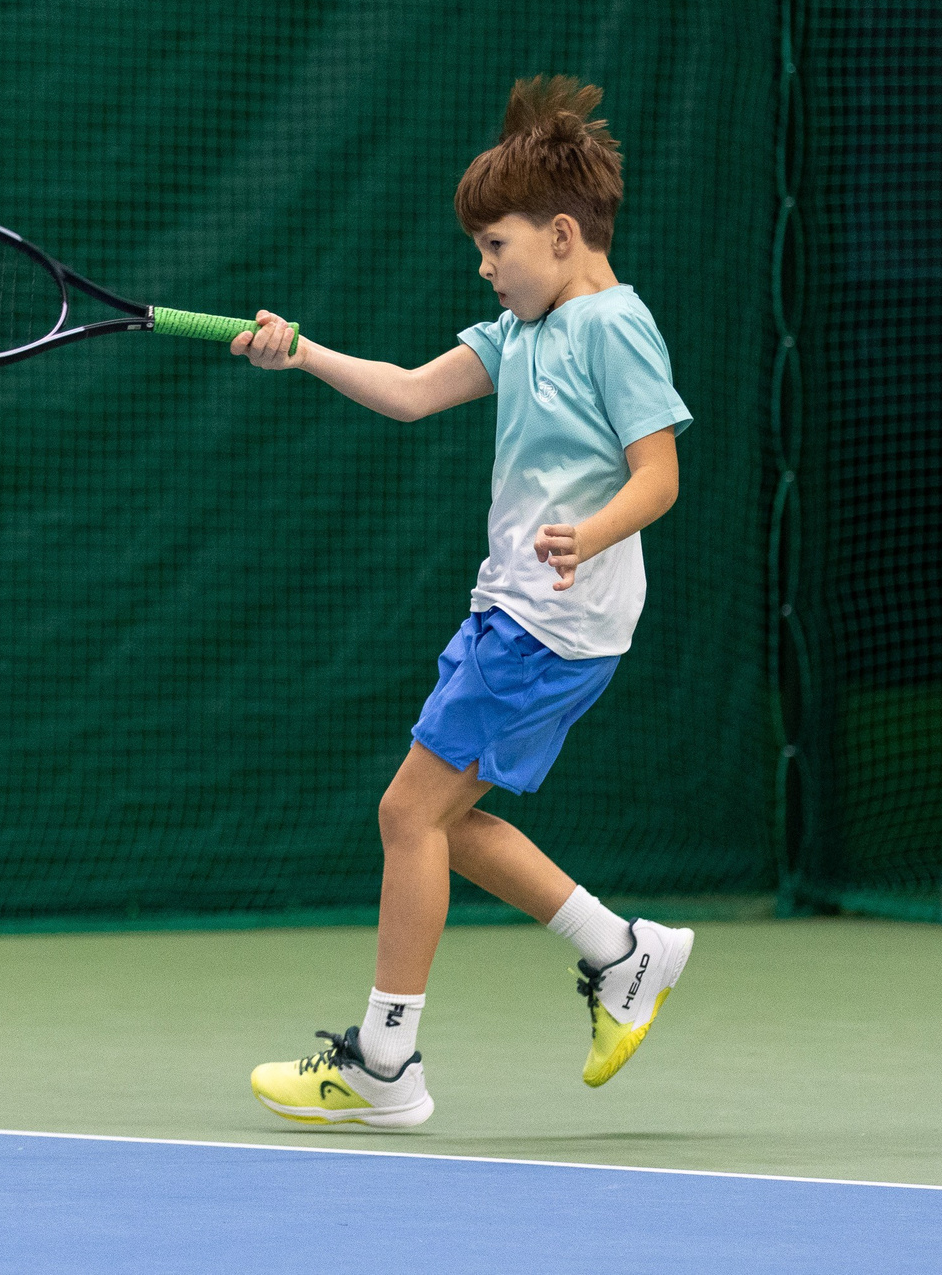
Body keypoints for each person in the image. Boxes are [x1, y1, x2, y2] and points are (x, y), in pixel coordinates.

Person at [242, 76, 695, 1129]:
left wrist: (591, 530)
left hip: (552, 624)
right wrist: (297, 349)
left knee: (408, 812)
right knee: (448, 819)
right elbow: (405, 391)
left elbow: (658, 475)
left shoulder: (611, 329)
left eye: (495, 246)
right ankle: (626, 953)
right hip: (514, 615)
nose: (483, 265)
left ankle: (385, 1063)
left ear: (563, 233)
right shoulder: (522, 333)